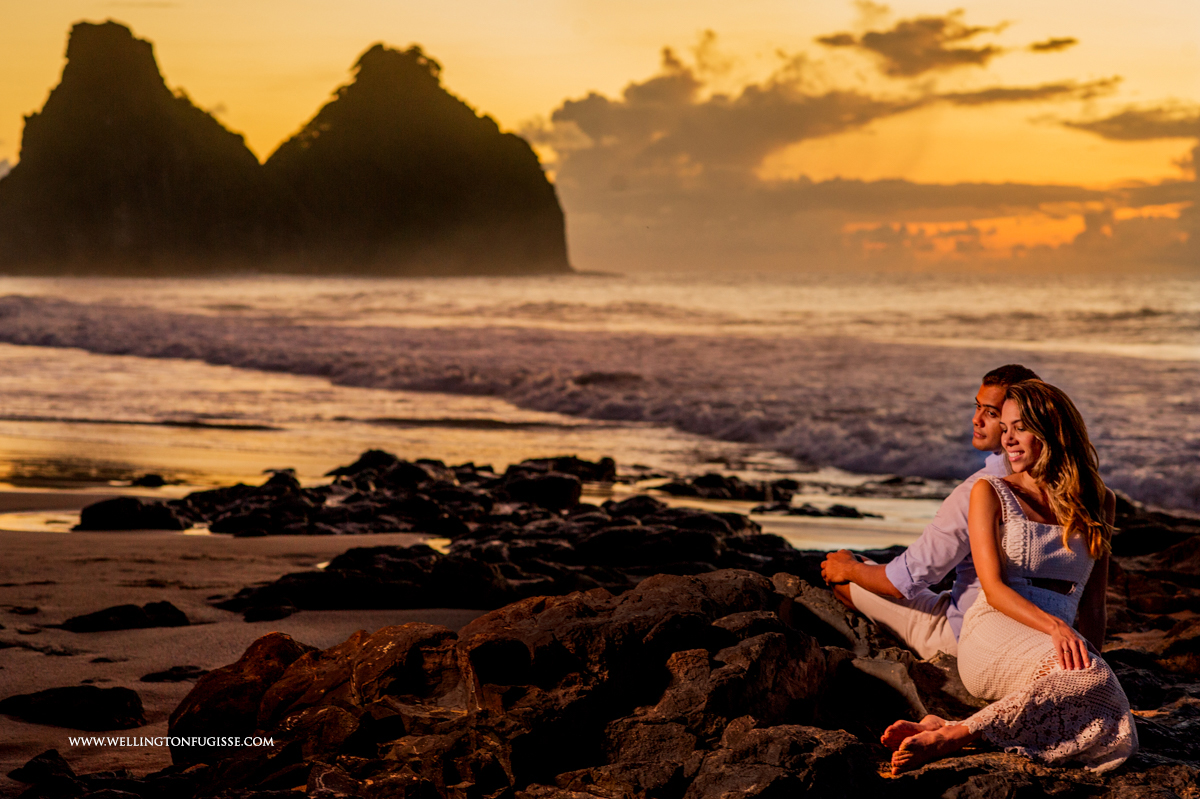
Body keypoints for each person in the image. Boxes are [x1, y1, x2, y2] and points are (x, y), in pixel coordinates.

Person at [887, 380, 1136, 774]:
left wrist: (1090, 657)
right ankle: (952, 739)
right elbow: (993, 589)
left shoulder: (1099, 500)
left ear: (1052, 430)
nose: (1008, 440)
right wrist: (1058, 630)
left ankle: (953, 727)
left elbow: (1093, 603)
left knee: (1107, 713)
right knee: (1097, 688)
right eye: (1004, 429)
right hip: (995, 629)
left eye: (1020, 428)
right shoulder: (990, 492)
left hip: (1054, 642)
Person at [820, 364, 1040, 660]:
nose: (976, 419)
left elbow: (902, 582)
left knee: (847, 578)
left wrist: (848, 568)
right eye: (977, 407)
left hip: (969, 639)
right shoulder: (1064, 488)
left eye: (990, 413)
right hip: (1037, 632)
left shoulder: (980, 491)